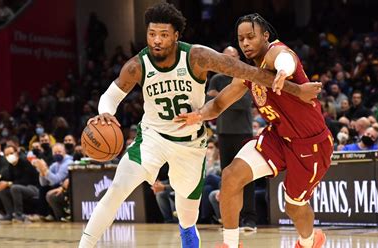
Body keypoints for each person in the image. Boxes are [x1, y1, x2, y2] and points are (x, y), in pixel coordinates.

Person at [78, 3, 320, 248]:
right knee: (118, 188)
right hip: (153, 139)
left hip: (191, 144)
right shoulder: (137, 65)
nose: (156, 41)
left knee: (187, 215)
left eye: (163, 35)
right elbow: (110, 95)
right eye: (152, 34)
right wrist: (105, 113)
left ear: (175, 36)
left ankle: (190, 233)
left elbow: (259, 68)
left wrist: (295, 87)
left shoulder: (198, 56)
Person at [175, 13, 328, 248]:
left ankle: (310, 242)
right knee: (230, 175)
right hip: (278, 137)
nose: (245, 43)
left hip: (311, 143)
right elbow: (218, 104)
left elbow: (285, 59)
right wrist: (198, 116)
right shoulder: (247, 74)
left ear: (265, 36)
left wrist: (283, 73)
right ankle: (231, 244)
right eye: (241, 39)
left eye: (250, 37)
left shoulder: (276, 52)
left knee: (292, 206)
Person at [206, 46, 257, 230]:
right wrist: (221, 100)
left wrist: (218, 100)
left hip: (243, 132)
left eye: (233, 56)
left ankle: (249, 218)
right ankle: (229, 221)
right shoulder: (216, 79)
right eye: (226, 57)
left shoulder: (245, 75)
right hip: (224, 133)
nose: (229, 60)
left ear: (238, 58)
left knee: (247, 177)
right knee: (226, 179)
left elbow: (244, 103)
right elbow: (208, 103)